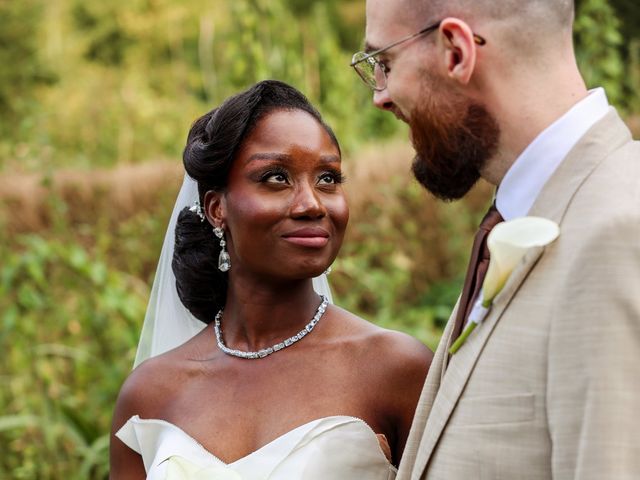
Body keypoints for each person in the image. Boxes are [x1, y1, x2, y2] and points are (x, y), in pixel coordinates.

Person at [352, 1, 640, 479]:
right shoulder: (525, 213)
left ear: (457, 52)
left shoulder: (619, 231)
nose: (380, 96)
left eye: (384, 63)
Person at [110, 80, 432, 479]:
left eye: (328, 178)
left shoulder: (395, 369)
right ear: (216, 208)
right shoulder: (150, 394)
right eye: (276, 177)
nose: (312, 203)